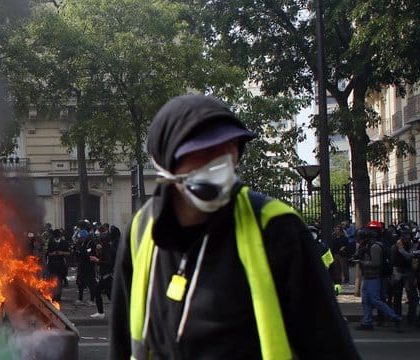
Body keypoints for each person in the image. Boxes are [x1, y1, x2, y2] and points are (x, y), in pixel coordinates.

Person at [109, 94, 358, 359]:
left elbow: (329, 344)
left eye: (230, 147)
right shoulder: (140, 229)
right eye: (205, 150)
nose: (222, 161)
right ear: (167, 160)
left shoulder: (276, 227)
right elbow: (122, 339)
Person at [352, 227, 402, 330]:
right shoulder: (367, 246)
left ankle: (395, 317)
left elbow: (376, 263)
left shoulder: (374, 247)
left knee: (376, 301)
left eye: (360, 238)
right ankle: (367, 322)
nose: (359, 240)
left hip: (374, 277)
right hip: (368, 277)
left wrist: (361, 263)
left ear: (366, 238)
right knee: (366, 301)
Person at [390, 225, 418, 326]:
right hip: (398, 272)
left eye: (408, 234)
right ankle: (397, 319)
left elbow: (410, 257)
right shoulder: (394, 246)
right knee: (397, 296)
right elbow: (393, 261)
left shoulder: (412, 245)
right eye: (404, 234)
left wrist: (401, 249)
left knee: (413, 297)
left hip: (408, 272)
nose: (406, 236)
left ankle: (412, 319)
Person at [46, 228, 69, 301]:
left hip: (61, 263)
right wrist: (53, 254)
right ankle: (53, 294)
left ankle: (58, 295)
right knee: (52, 279)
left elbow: (68, 253)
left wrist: (61, 253)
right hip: (52, 263)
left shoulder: (64, 242)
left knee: (60, 280)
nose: (56, 237)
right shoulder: (50, 242)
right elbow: (48, 253)